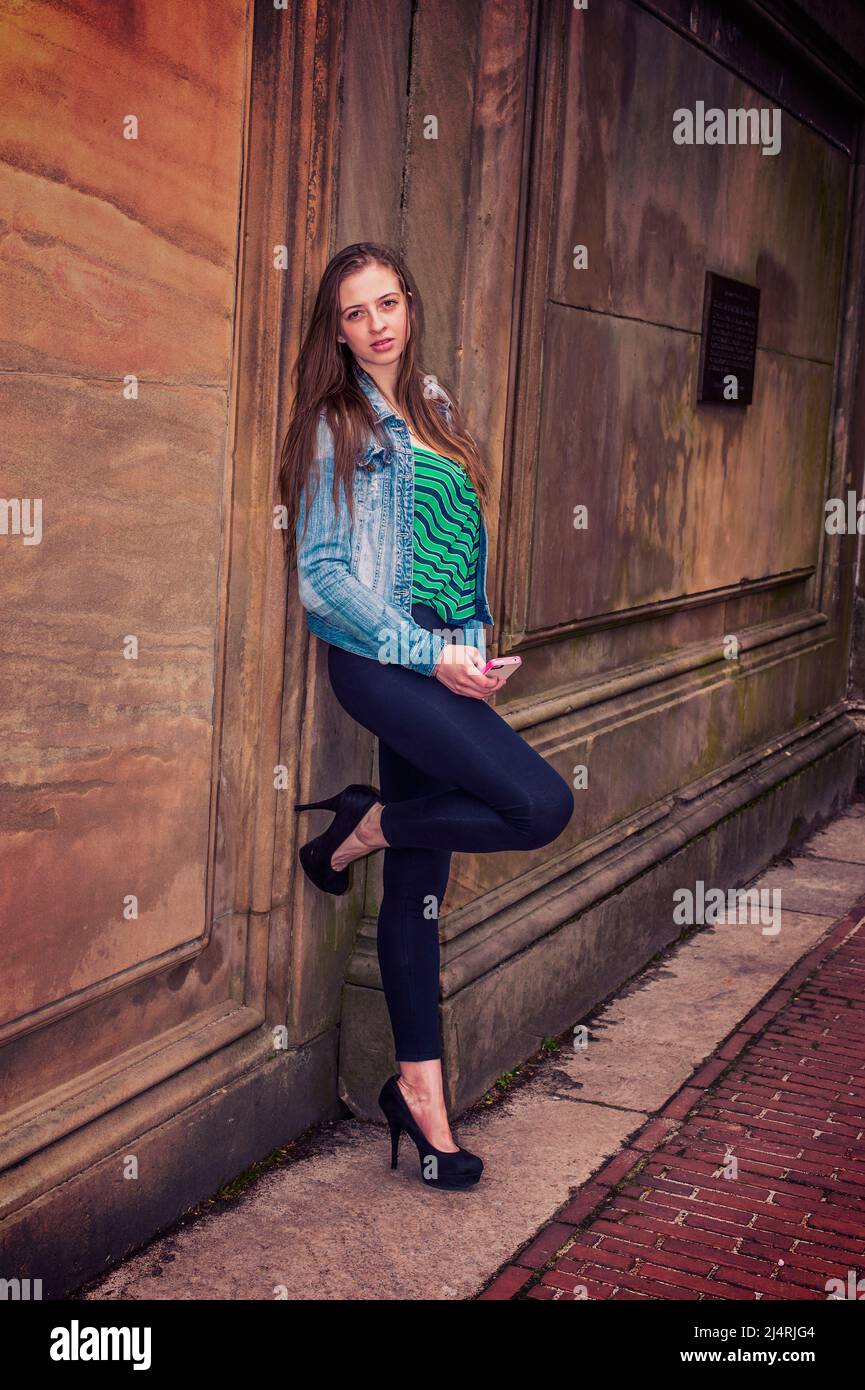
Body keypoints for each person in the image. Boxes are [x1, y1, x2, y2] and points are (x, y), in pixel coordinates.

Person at [279, 242, 574, 1189]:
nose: (379, 324)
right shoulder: (335, 425)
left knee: (418, 887)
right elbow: (321, 580)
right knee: (540, 807)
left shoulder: (434, 406)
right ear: (337, 329)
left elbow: (458, 540)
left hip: (447, 664)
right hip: (385, 666)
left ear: (410, 306)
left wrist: (477, 645)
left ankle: (420, 1101)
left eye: (390, 302)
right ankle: (368, 823)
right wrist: (429, 654)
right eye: (357, 312)